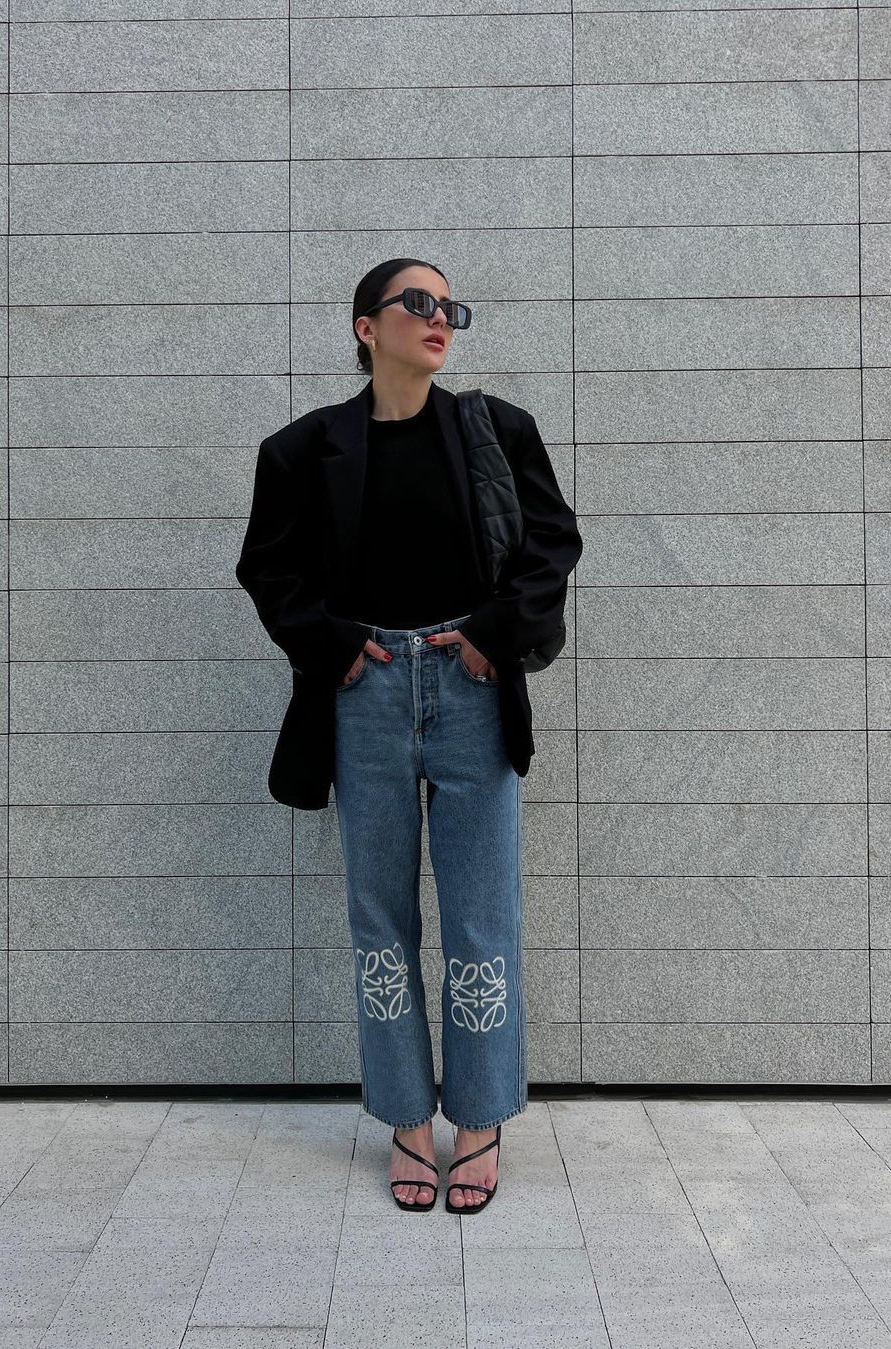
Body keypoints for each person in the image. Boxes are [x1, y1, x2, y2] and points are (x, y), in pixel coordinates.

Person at [235, 258, 582, 1212]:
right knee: (380, 919)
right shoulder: (303, 450)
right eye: (418, 303)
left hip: (472, 687)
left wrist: (492, 634)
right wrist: (334, 644)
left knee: (482, 915)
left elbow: (552, 543)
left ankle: (479, 1120)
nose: (440, 319)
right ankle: (404, 1120)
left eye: (449, 307)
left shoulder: (496, 430)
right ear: (366, 327)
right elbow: (268, 570)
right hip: (368, 693)